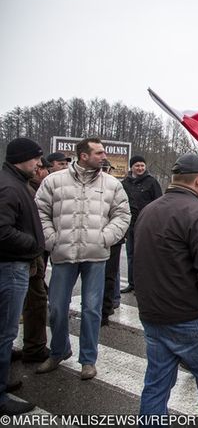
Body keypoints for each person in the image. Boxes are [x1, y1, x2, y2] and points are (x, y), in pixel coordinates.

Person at [133, 153, 198, 427]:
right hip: (191, 315)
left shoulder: (149, 210)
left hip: (154, 314)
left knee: (156, 383)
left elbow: (137, 260)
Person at [35, 137, 130, 380]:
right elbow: (40, 212)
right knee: (56, 308)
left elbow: (122, 214)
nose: (103, 156)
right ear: (83, 155)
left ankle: (88, 359)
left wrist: (105, 237)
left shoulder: (112, 184)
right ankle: (59, 350)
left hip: (96, 255)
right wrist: (51, 239)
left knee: (92, 310)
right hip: (63, 254)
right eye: (98, 153)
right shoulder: (54, 181)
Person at [0, 138, 45, 415]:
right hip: (9, 267)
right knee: (5, 334)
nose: (39, 164)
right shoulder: (8, 186)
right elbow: (2, 231)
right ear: (22, 158)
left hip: (13, 265)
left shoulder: (14, 182)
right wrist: (32, 244)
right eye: (35, 158)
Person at [14, 155, 52, 366]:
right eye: (39, 164)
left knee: (35, 299)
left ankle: (33, 346)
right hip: (23, 258)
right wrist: (33, 244)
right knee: (32, 300)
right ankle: (34, 348)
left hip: (28, 257)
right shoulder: (17, 188)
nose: (41, 168)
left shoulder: (25, 187)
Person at [120, 155, 162, 294]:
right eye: (137, 165)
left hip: (146, 225)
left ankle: (143, 285)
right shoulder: (124, 183)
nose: (140, 168)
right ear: (131, 167)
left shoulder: (151, 182)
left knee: (144, 256)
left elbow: (159, 203)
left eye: (142, 165)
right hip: (130, 224)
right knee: (131, 254)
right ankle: (132, 284)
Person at [100, 161, 124, 326]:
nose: (104, 171)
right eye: (101, 168)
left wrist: (110, 234)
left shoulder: (116, 186)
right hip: (89, 238)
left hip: (111, 238)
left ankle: (105, 310)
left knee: (110, 275)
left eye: (106, 168)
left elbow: (122, 213)